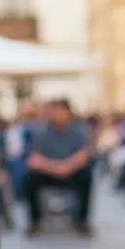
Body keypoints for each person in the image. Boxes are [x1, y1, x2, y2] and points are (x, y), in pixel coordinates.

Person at [24, 98, 94, 236]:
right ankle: (35, 221)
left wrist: (67, 166)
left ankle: (82, 220)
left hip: (72, 172)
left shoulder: (79, 132)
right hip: (48, 173)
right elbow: (33, 159)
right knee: (30, 178)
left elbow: (84, 155)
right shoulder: (40, 133)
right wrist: (55, 167)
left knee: (86, 176)